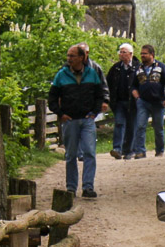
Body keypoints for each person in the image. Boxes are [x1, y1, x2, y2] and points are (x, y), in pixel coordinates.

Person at [48, 44, 109, 199]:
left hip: (87, 119)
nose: (69, 59)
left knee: (89, 152)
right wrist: (60, 114)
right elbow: (52, 98)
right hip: (70, 120)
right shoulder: (61, 75)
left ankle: (88, 187)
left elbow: (100, 93)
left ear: (82, 58)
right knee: (71, 155)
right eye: (68, 56)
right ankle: (71, 187)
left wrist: (94, 112)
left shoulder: (92, 73)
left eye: (72, 56)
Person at [131, 44, 165, 159]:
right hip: (143, 102)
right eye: (141, 53)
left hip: (158, 102)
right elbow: (133, 85)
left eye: (145, 53)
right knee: (140, 126)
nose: (142, 55)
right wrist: (137, 97)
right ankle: (140, 151)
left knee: (158, 127)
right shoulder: (138, 68)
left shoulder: (161, 67)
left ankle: (159, 150)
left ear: (152, 55)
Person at [106, 42, 140, 159]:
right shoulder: (115, 68)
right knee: (119, 124)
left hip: (133, 103)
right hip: (119, 102)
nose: (121, 54)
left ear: (130, 54)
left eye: (123, 52)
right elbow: (107, 84)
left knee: (132, 126)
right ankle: (117, 149)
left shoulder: (138, 68)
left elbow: (143, 84)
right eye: (120, 52)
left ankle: (130, 150)